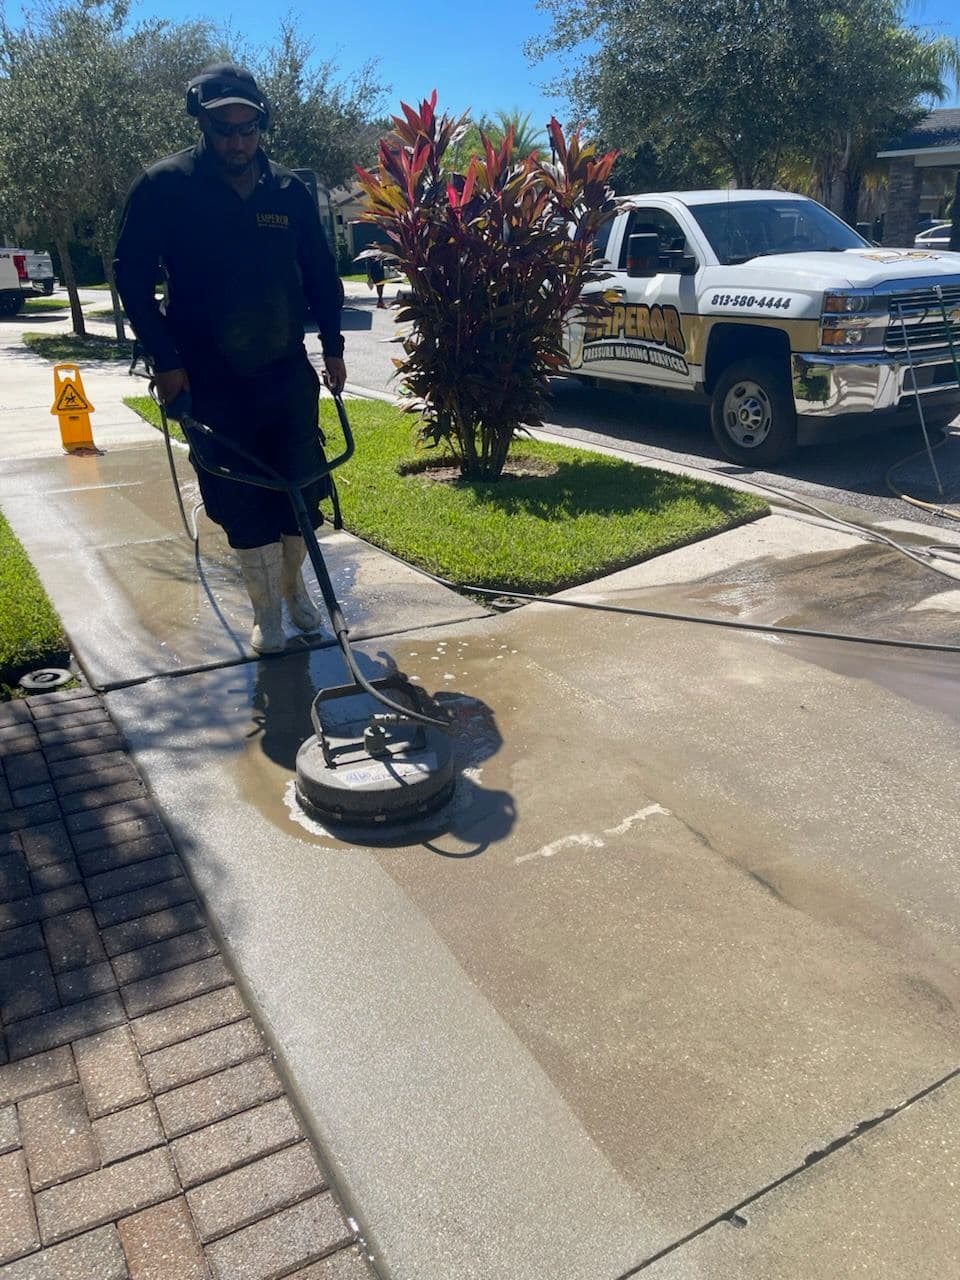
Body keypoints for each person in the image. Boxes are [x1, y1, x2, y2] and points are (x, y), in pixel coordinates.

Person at [115, 62, 347, 654]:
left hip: (284, 371)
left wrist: (334, 347)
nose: (238, 142)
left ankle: (296, 591)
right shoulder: (164, 186)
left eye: (248, 129)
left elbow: (321, 273)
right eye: (225, 130)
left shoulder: (289, 191)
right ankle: (266, 614)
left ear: (262, 124)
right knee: (240, 500)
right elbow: (132, 279)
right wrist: (166, 362)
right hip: (209, 378)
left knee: (300, 491)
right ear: (203, 123)